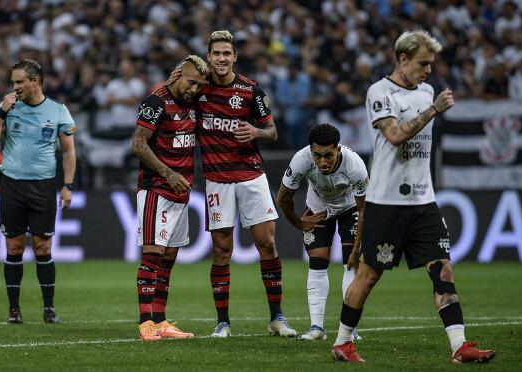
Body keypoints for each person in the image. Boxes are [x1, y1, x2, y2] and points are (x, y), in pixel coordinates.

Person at [331, 30, 495, 364]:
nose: (428, 70)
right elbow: (394, 135)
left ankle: (459, 346)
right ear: (402, 58)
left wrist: (431, 104)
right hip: (386, 202)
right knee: (369, 276)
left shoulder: (427, 91)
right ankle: (342, 343)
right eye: (423, 63)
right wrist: (433, 110)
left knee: (443, 270)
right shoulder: (380, 92)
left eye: (431, 64)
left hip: (423, 202)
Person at [198, 30, 296, 338]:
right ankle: (223, 322)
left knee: (267, 244)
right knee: (221, 251)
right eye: (217, 53)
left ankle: (277, 318)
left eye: (227, 53)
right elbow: (169, 94)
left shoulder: (252, 90)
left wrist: (255, 131)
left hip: (251, 176)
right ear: (209, 57)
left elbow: (272, 132)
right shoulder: (197, 90)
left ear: (235, 57)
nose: (222, 58)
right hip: (217, 181)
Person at [0, 59, 76, 324]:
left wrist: (67, 186)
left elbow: (69, 151)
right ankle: (14, 310)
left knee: (42, 247)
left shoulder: (58, 111)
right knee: (13, 247)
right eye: (14, 82)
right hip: (11, 184)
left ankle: (48, 308)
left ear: (35, 81)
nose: (16, 87)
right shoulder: (7, 108)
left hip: (43, 186)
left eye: (20, 81)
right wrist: (2, 112)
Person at [132, 55, 207, 341]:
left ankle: (161, 321)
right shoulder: (156, 102)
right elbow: (138, 145)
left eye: (200, 85)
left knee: (169, 259)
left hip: (180, 192)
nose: (195, 89)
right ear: (177, 76)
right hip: (156, 189)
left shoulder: (192, 102)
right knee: (153, 255)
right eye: (191, 82)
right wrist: (168, 172)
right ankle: (145, 323)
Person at [276, 124, 368, 341]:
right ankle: (317, 328)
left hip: (351, 209)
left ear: (338, 149)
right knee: (317, 263)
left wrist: (357, 249)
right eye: (317, 156)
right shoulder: (302, 159)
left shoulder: (355, 165)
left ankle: (349, 329)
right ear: (311, 151)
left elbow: (365, 209)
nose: (322, 162)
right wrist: (299, 223)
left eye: (328, 155)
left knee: (350, 263)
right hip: (318, 210)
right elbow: (282, 198)